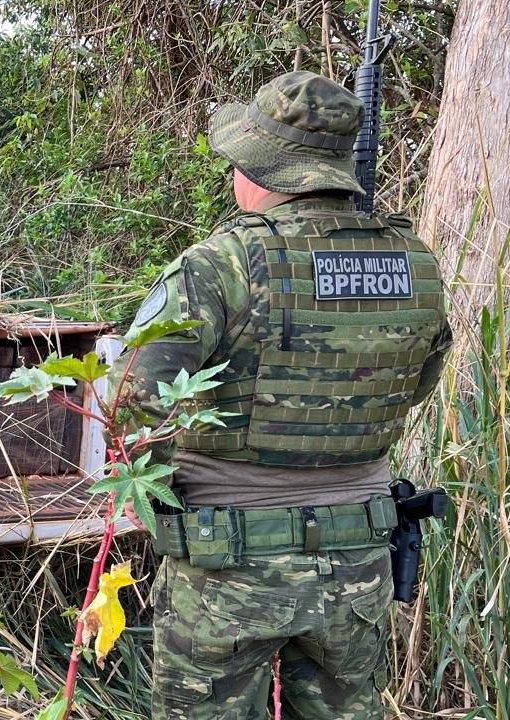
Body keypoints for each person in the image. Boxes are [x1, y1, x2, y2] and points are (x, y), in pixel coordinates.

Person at [108, 71, 451, 719]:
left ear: (257, 168)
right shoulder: (417, 263)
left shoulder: (217, 266)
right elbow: (415, 390)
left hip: (226, 565)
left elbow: (131, 406)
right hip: (356, 564)